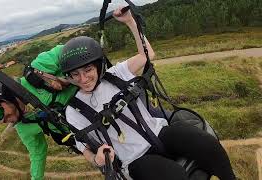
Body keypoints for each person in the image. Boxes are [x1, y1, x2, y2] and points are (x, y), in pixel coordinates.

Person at [60, 7, 236, 180]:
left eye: (88, 70)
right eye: (75, 74)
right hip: (135, 158)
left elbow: (147, 54)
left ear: (98, 65)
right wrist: (97, 159)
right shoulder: (74, 110)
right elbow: (84, 149)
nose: (83, 79)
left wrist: (130, 21)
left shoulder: (116, 75)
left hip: (158, 132)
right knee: (175, 176)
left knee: (207, 144)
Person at [0, 45, 78, 180]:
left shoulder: (38, 73)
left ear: (5, 94)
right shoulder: (23, 127)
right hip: (91, 140)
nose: (2, 120)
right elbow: (37, 153)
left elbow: (72, 48)